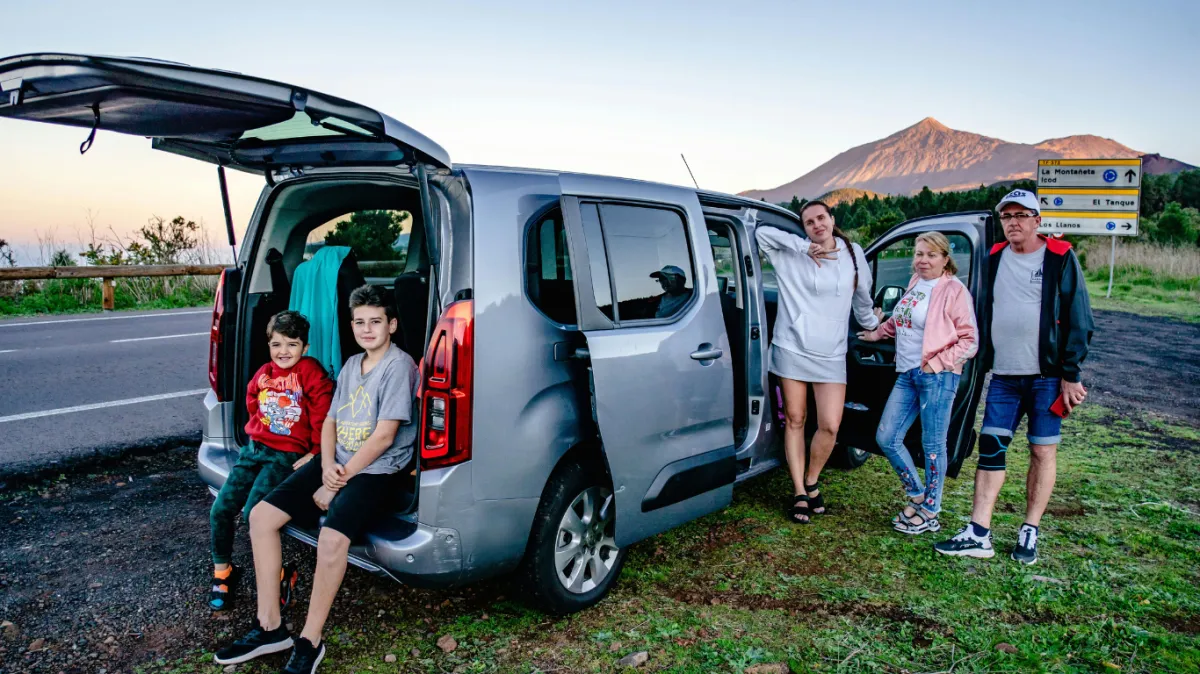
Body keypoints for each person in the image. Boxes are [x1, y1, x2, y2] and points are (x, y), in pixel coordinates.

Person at [214, 285, 421, 673]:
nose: (367, 329)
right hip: (336, 462)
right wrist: (325, 464)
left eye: (375, 321)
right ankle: (270, 627)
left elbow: (384, 437)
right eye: (359, 322)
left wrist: (335, 481)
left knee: (331, 538)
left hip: (375, 469)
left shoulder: (400, 367)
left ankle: (310, 640)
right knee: (261, 517)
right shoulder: (351, 364)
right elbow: (329, 421)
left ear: (391, 325)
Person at [934, 189, 1093, 564]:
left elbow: (1079, 318)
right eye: (1007, 216)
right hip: (1004, 376)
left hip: (1046, 377)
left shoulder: (1059, 256)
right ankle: (979, 533)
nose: (1013, 222)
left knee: (1042, 450)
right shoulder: (993, 257)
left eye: (1022, 215)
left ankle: (1029, 530)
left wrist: (1071, 374)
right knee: (991, 446)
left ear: (1038, 220)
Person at [751, 201, 880, 523]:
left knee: (830, 425)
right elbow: (762, 234)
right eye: (809, 222)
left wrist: (874, 326)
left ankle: (812, 479)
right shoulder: (791, 254)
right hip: (791, 346)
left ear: (832, 219)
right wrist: (803, 247)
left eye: (821, 218)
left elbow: (862, 298)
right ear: (805, 228)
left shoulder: (853, 254)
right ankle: (799, 490)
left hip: (832, 353)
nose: (817, 225)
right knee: (795, 419)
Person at [208, 310, 333, 611]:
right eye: (276, 344)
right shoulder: (264, 372)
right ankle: (223, 571)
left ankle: (279, 574)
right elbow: (252, 400)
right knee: (221, 509)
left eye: (292, 344)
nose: (283, 351)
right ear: (269, 345)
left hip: (285, 455)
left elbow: (323, 414)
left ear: (305, 347)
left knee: (254, 514)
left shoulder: (310, 372)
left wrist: (315, 452)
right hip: (254, 450)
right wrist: (259, 431)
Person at [858, 233, 978, 535]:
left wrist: (936, 363)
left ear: (945, 259)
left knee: (933, 445)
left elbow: (970, 340)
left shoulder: (954, 290)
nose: (923, 260)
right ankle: (918, 495)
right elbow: (901, 319)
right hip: (908, 373)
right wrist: (876, 333)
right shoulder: (915, 282)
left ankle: (931, 511)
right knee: (886, 437)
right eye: (919, 254)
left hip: (938, 376)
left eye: (931, 255)